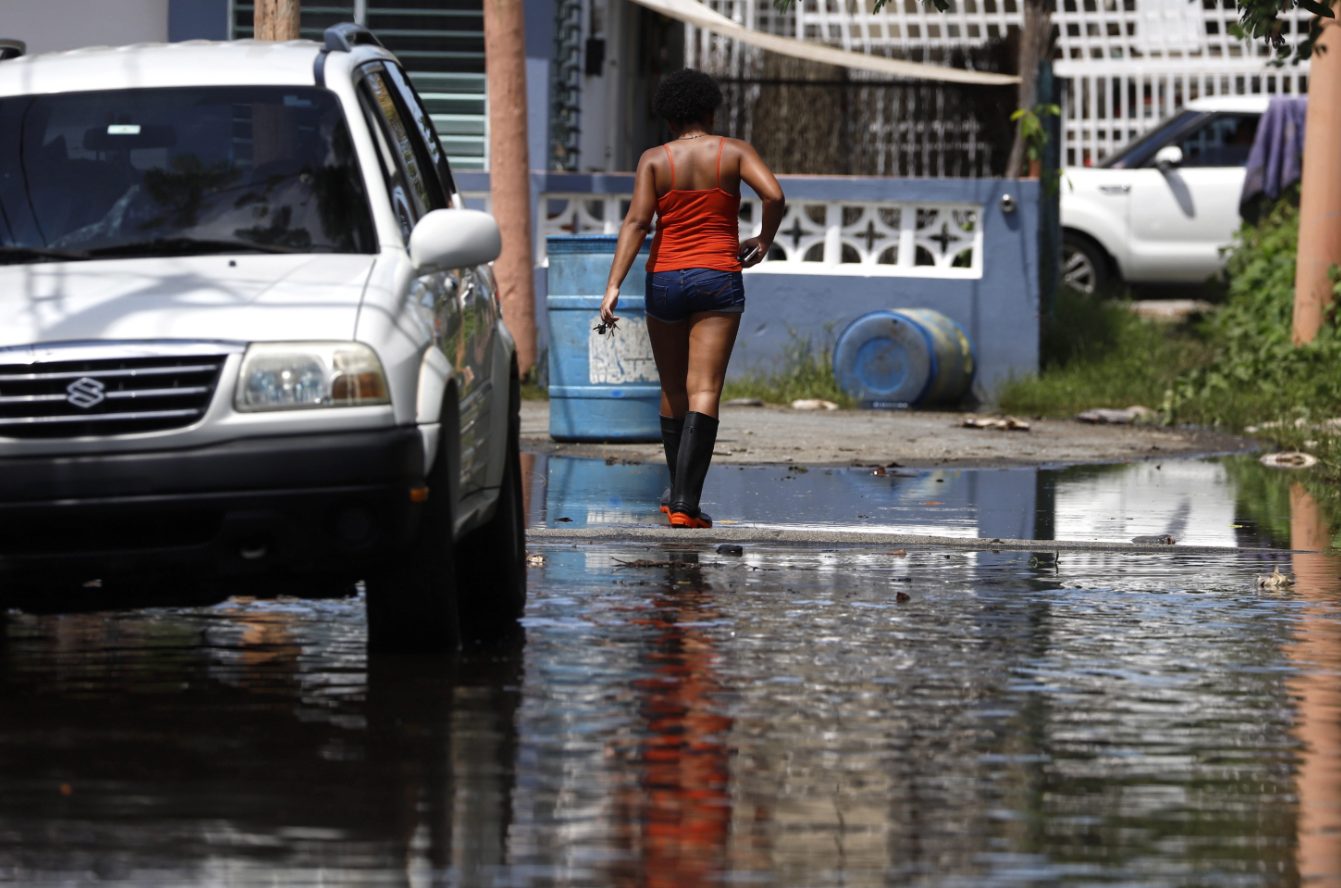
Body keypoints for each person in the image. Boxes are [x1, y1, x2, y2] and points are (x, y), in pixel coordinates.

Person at [600, 69, 785, 529]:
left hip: (664, 277)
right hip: (718, 276)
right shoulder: (733, 151)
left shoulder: (654, 160)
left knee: (673, 387)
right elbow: (774, 195)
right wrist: (763, 239)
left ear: (668, 118)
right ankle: (685, 503)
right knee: (705, 388)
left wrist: (613, 285)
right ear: (710, 109)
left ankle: (673, 494)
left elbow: (637, 224)